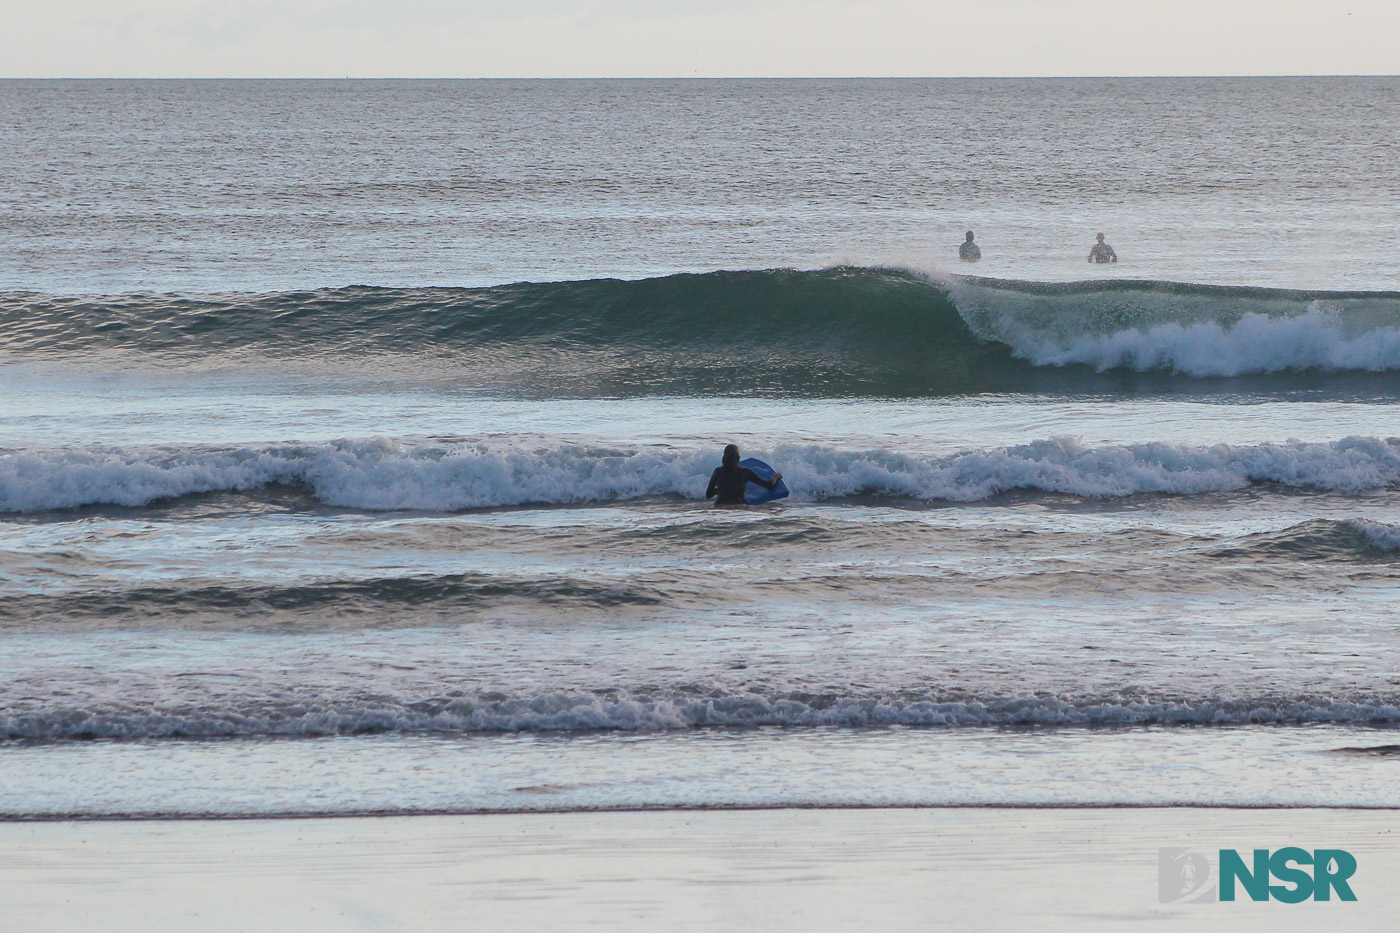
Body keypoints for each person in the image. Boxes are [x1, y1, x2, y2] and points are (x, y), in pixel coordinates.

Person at [706, 444, 782, 507]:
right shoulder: (745, 472)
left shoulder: (718, 471)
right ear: (738, 458)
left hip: (720, 506)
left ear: (724, 457)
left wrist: (719, 490)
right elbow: (769, 485)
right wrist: (775, 476)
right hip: (738, 506)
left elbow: (708, 495)